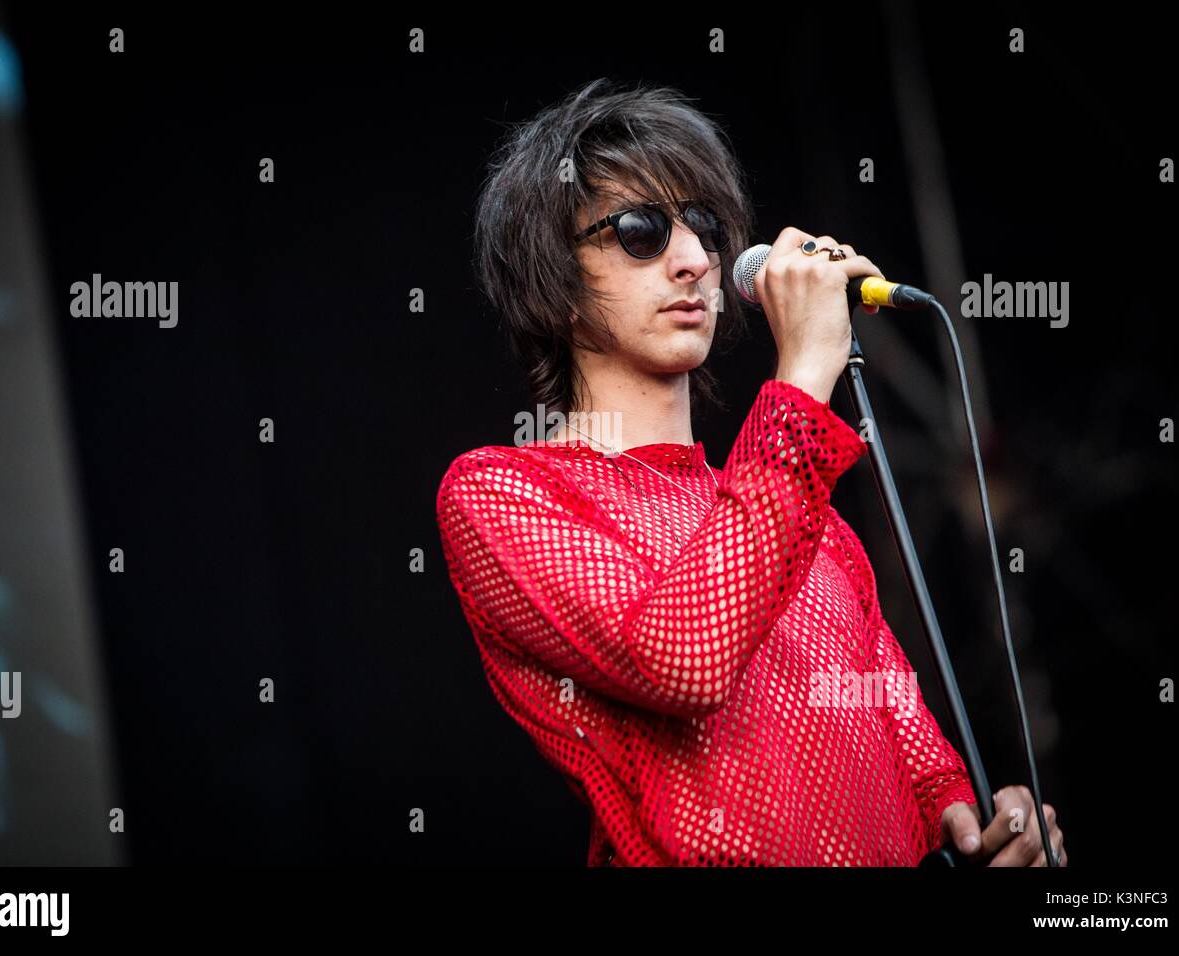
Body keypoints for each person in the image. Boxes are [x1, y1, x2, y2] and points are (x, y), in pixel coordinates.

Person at [436, 78, 1065, 867]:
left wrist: (991, 831)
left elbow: (921, 772)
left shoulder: (808, 518)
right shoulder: (503, 491)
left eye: (703, 226)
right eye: (640, 231)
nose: (696, 259)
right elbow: (686, 658)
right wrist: (803, 371)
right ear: (553, 282)